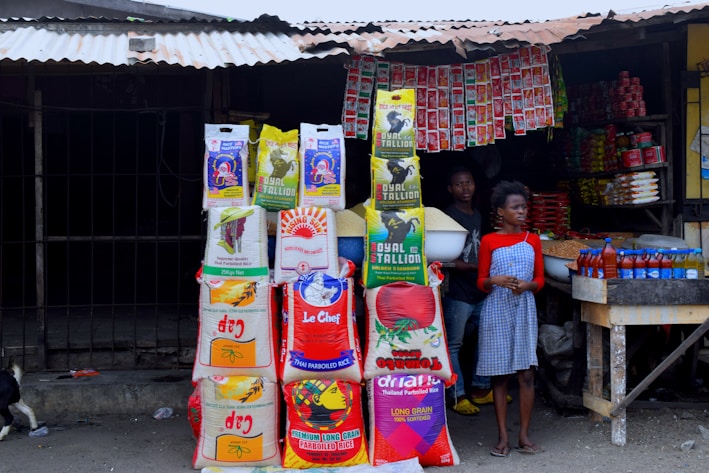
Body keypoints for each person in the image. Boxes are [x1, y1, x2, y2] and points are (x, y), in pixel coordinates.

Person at [476, 180, 545, 457]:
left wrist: (528, 286)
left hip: (524, 308)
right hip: (496, 309)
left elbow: (541, 279)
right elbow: (480, 282)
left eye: (523, 207)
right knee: (500, 377)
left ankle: (524, 436)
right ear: (500, 212)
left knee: (526, 373)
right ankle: (503, 437)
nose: (521, 211)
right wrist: (494, 279)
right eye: (515, 207)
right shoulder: (489, 241)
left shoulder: (533, 239)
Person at [442, 166, 489, 416]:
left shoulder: (478, 215)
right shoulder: (447, 216)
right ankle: (457, 395)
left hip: (479, 290)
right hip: (458, 293)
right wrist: (477, 267)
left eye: (468, 182)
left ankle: (481, 388)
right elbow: (446, 260)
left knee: (486, 338)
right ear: (450, 189)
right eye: (459, 184)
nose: (465, 188)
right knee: (454, 346)